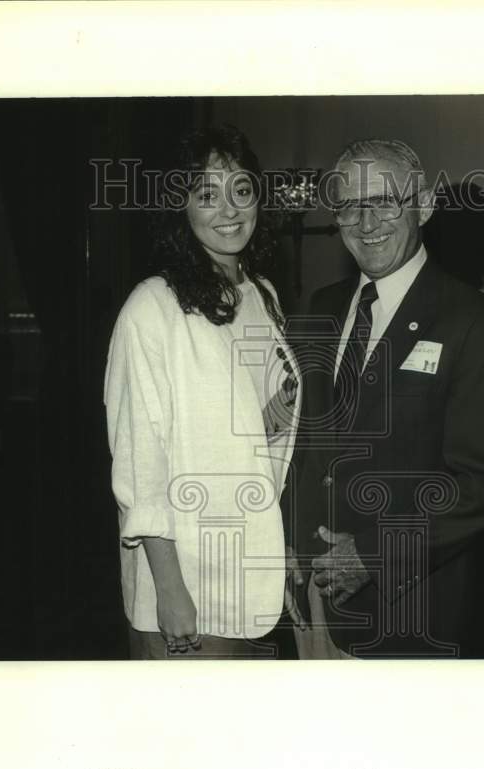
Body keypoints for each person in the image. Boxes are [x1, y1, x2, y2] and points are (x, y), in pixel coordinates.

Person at [285, 139, 484, 658]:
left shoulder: (475, 323)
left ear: (425, 204)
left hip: (408, 610)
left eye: (383, 201)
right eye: (348, 205)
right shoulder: (319, 309)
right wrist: (286, 542)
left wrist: (372, 555)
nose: (364, 222)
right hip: (313, 597)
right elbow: (301, 445)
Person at [104, 125, 301, 659]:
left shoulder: (261, 295)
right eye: (206, 194)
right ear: (180, 208)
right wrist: (170, 593)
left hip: (246, 563)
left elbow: (250, 433)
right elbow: (141, 465)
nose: (229, 209)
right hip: (185, 577)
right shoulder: (152, 307)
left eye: (241, 189)